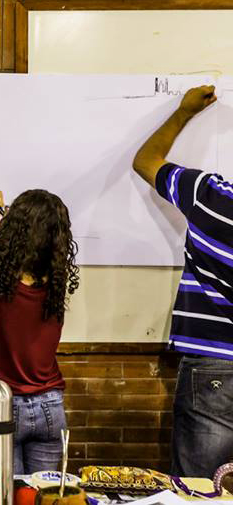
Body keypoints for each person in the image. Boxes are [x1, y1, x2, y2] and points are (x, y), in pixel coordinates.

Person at [132, 85, 233, 478]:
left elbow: (145, 161)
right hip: (212, 365)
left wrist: (183, 113)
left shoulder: (212, 197)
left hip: (211, 364)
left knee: (196, 490)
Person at [0, 189, 80, 475]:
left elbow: (4, 270)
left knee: (6, 493)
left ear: (14, 230)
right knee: (42, 494)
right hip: (50, 404)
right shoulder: (56, 280)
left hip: (1, 405)